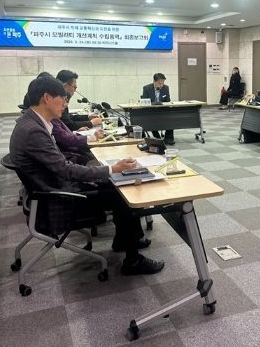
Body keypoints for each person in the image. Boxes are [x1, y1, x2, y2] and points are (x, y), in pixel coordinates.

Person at [10, 76, 164, 275]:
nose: (65, 104)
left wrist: (102, 172)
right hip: (58, 200)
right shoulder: (33, 131)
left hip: (50, 189)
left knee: (112, 183)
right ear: (47, 98)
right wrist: (111, 169)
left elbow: (59, 166)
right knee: (121, 191)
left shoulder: (30, 122)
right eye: (62, 99)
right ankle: (132, 260)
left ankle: (124, 241)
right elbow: (65, 169)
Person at [141, 73, 175, 145]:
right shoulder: (146, 88)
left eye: (163, 83)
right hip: (150, 111)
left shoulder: (166, 88)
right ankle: (157, 136)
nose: (161, 85)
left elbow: (168, 101)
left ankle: (168, 138)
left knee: (171, 117)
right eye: (159, 83)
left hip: (162, 111)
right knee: (150, 118)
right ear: (154, 81)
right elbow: (145, 101)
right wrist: (156, 103)